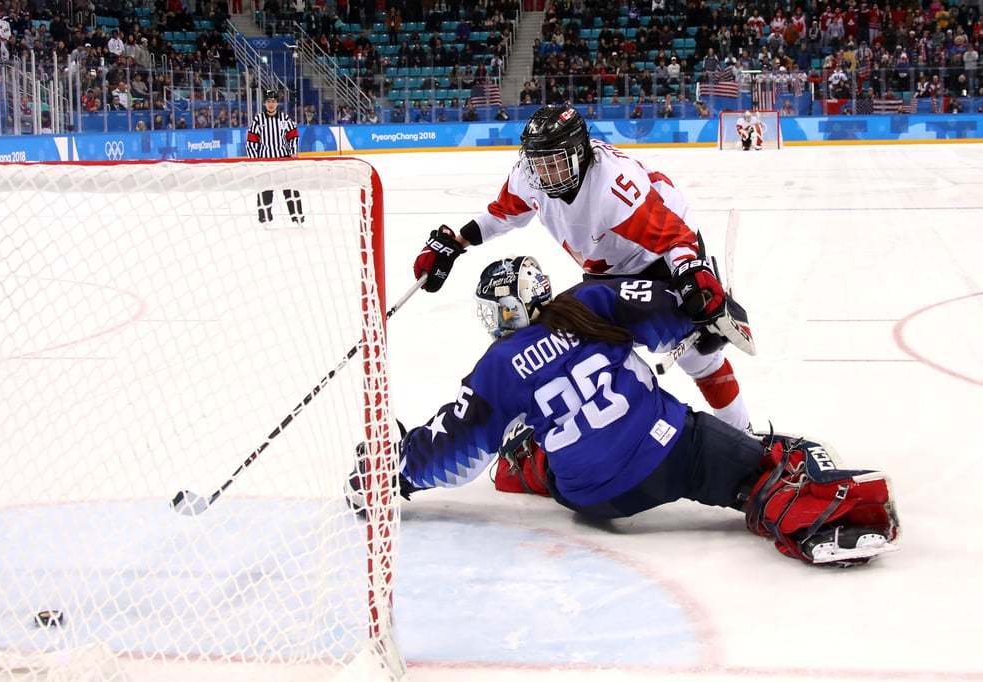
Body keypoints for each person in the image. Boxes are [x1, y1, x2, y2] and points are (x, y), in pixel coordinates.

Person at [350, 257, 900, 567]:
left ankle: (530, 470)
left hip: (589, 497)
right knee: (760, 471)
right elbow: (671, 313)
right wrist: (707, 307)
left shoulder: (497, 366)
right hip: (669, 449)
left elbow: (452, 450)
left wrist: (392, 472)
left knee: (529, 446)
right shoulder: (588, 302)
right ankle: (803, 509)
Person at [411, 104, 755, 430]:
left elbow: (675, 237)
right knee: (582, 347)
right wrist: (457, 242)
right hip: (604, 271)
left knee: (698, 355)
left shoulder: (614, 187)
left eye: (554, 162)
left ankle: (743, 433)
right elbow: (502, 215)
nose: (543, 173)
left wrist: (694, 278)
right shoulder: (528, 177)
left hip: (655, 260)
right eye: (537, 163)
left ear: (580, 153)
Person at [246, 88, 304, 225]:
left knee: (290, 189)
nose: (271, 104)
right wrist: (254, 160)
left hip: (284, 159)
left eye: (273, 101)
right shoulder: (258, 120)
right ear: (264, 103)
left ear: (277, 103)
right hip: (265, 161)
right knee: (265, 189)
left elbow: (293, 136)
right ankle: (265, 217)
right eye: (268, 101)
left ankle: (297, 217)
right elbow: (251, 141)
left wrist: (293, 152)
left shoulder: (285, 119)